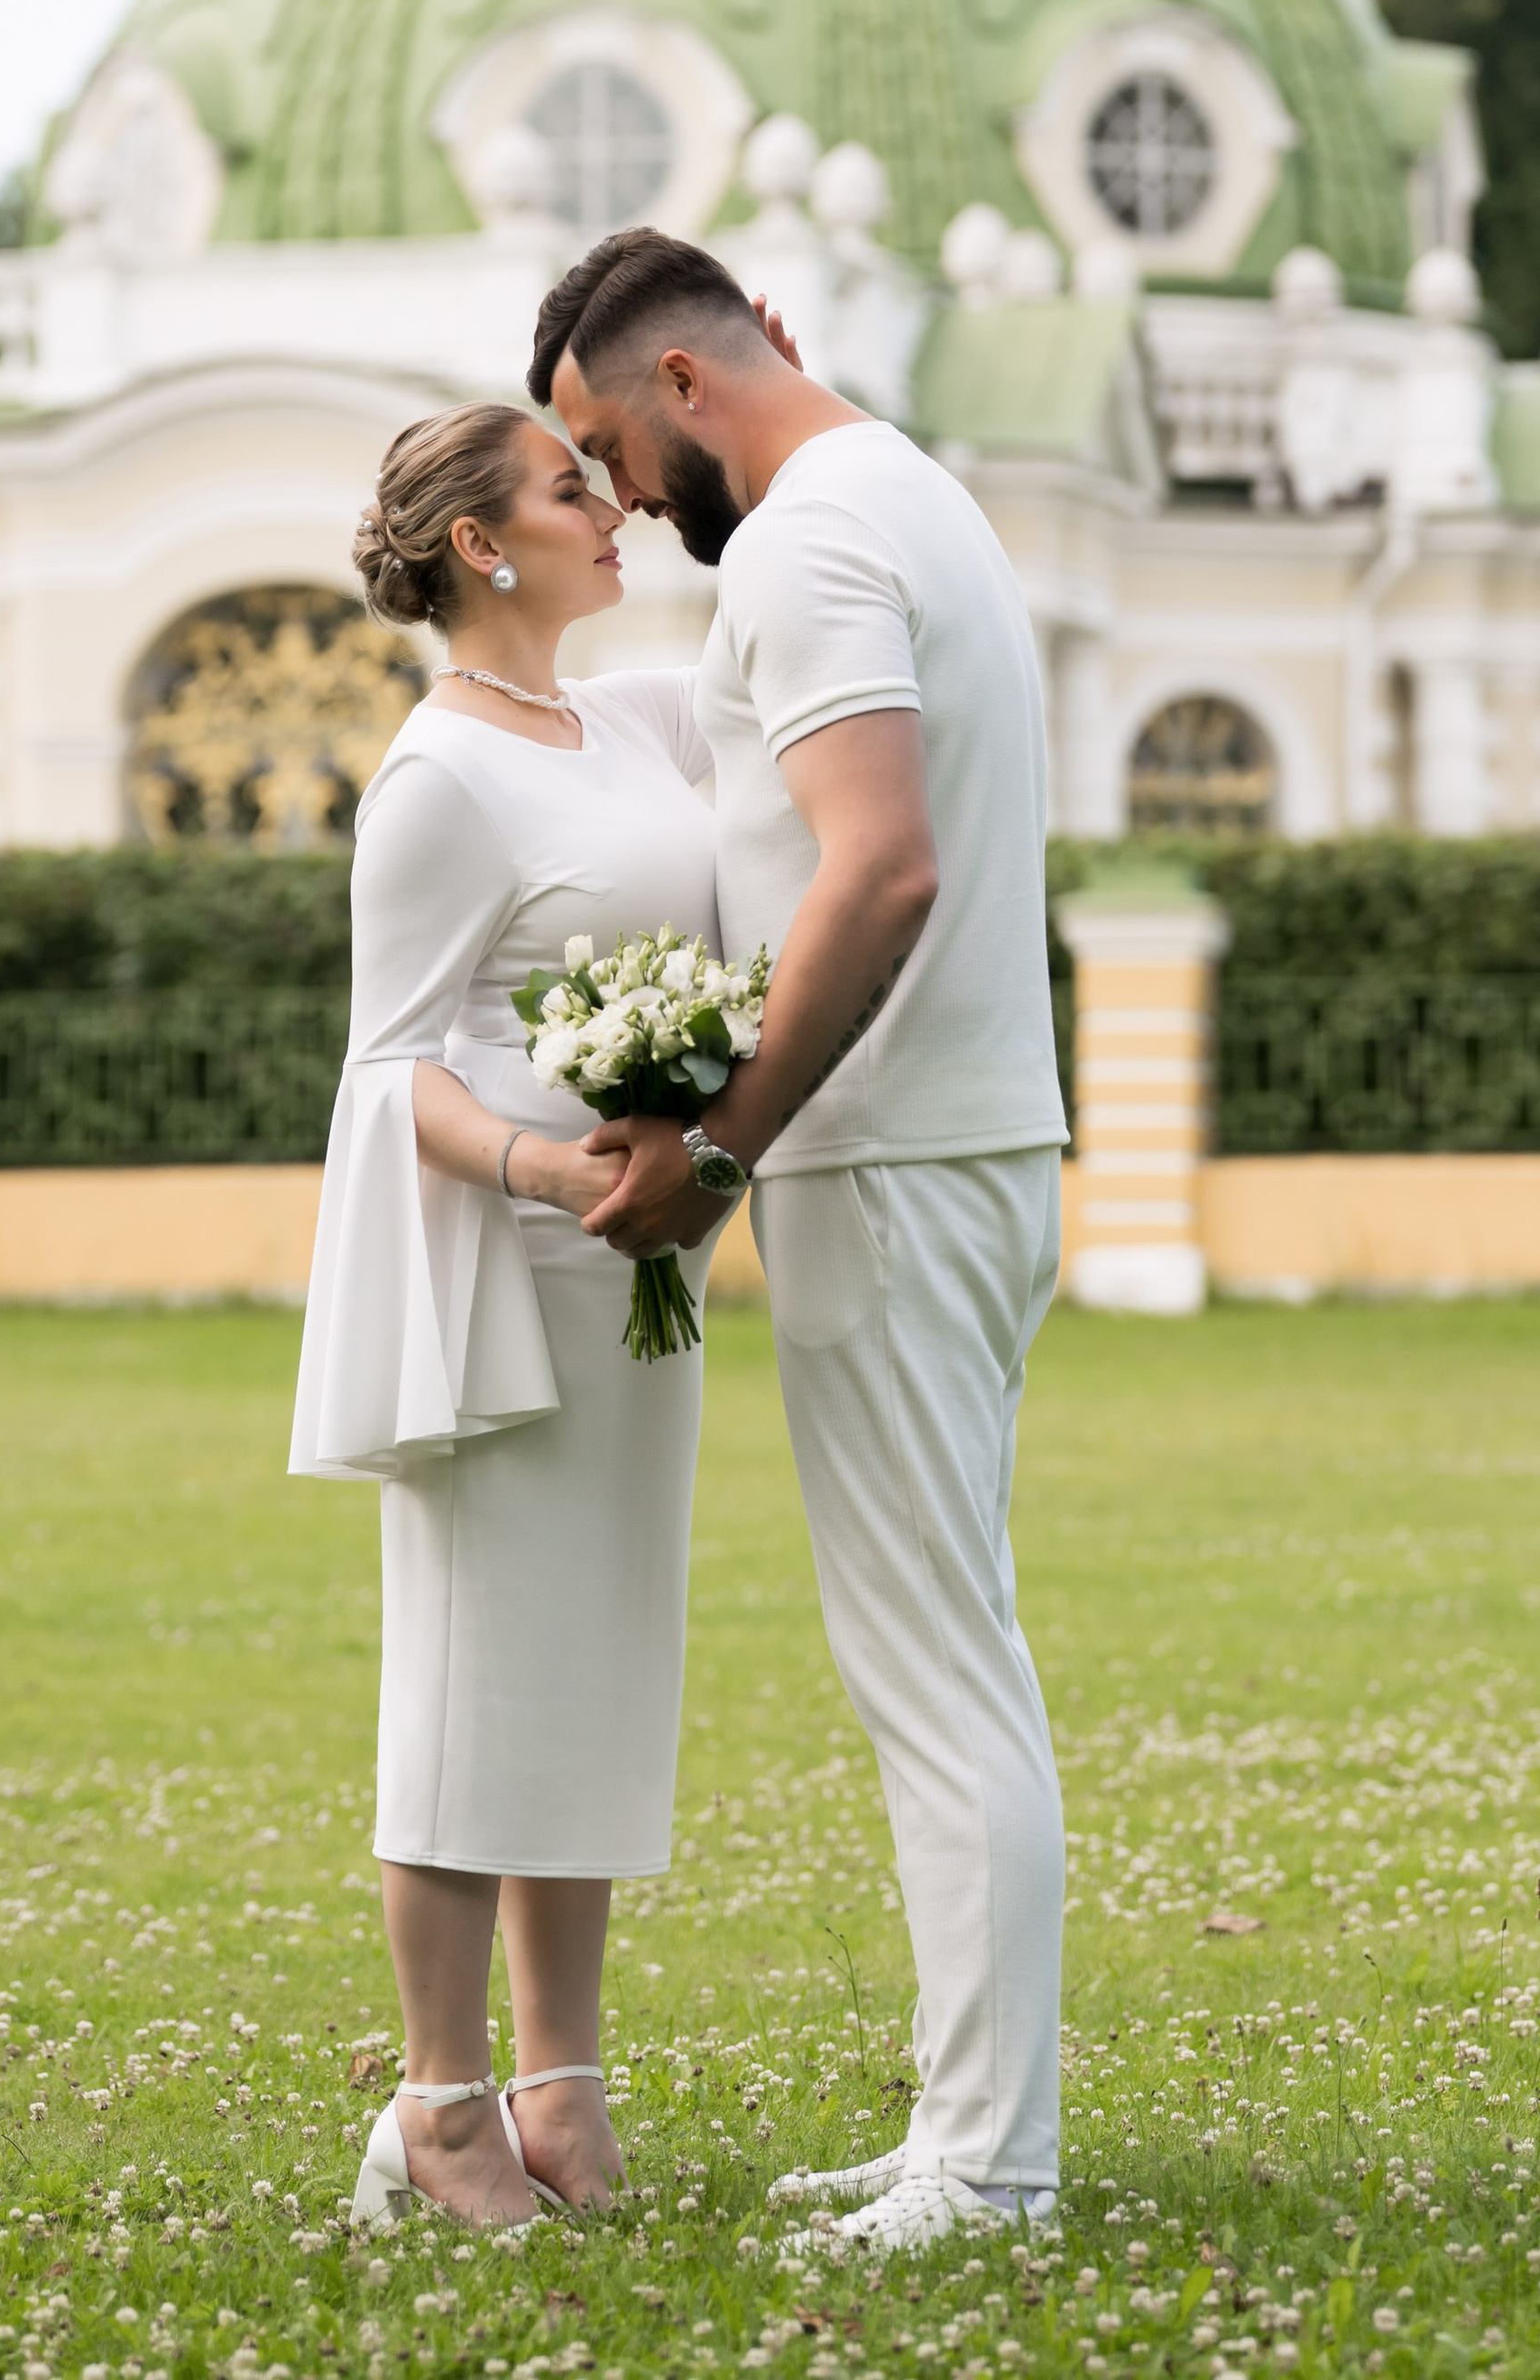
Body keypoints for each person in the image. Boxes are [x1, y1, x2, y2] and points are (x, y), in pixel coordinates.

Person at [530, 226, 1070, 2255]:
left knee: (936, 1664)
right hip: (941, 1150)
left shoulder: (809, 536)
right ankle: (962, 2123)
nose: (615, 502)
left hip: (893, 1157)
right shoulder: (899, 492)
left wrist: (726, 1145)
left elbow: (884, 864)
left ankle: (989, 2168)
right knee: (931, 1649)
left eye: (604, 449)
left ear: (686, 379)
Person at [287, 400, 725, 2228]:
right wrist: (558, 1177)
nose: (611, 508)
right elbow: (393, 1072)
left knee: (591, 1676)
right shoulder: (437, 776)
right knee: (472, 1687)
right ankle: (441, 2107)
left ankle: (562, 2084)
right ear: (481, 543)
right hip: (507, 1265)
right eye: (571, 490)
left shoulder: (623, 715)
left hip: (646, 1267)